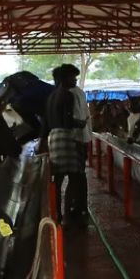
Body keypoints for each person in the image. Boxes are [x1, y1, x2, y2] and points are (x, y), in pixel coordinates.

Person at [44, 63, 88, 223]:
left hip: (53, 137)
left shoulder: (51, 96)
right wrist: (80, 123)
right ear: (64, 78)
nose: (75, 80)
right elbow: (67, 121)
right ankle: (69, 214)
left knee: (58, 180)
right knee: (75, 178)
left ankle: (57, 214)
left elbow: (46, 121)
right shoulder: (67, 95)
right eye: (73, 77)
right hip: (65, 137)